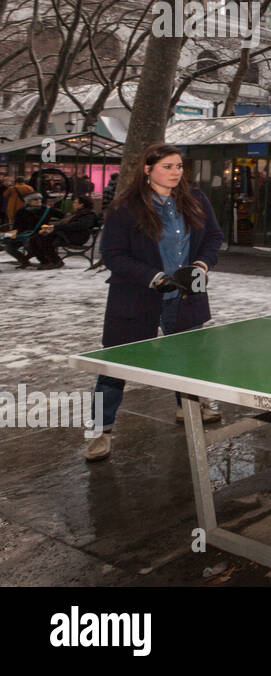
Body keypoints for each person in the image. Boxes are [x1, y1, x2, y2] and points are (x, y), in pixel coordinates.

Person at [85, 143, 225, 462]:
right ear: (148, 170)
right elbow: (113, 255)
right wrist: (154, 277)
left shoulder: (196, 199)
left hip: (187, 296)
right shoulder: (126, 207)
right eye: (168, 167)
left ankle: (187, 407)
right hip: (135, 297)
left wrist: (201, 265)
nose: (176, 172)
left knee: (189, 360)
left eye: (179, 166)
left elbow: (214, 237)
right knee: (112, 368)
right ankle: (98, 430)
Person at [29, 194, 99, 268]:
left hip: (76, 237)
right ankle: (45, 261)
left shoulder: (89, 214)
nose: (73, 204)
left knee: (44, 239)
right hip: (66, 234)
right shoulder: (77, 213)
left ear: (82, 204)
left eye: (75, 202)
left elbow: (79, 225)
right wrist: (50, 228)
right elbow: (64, 224)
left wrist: (56, 227)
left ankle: (55, 261)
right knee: (35, 238)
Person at [3, 192, 61, 267]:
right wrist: (10, 236)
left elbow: (63, 217)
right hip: (22, 235)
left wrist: (50, 227)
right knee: (9, 247)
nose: (38, 201)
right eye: (35, 199)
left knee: (30, 244)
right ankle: (24, 261)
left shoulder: (47, 210)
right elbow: (16, 226)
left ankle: (45, 261)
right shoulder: (21, 211)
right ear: (29, 201)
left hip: (39, 234)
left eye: (40, 199)